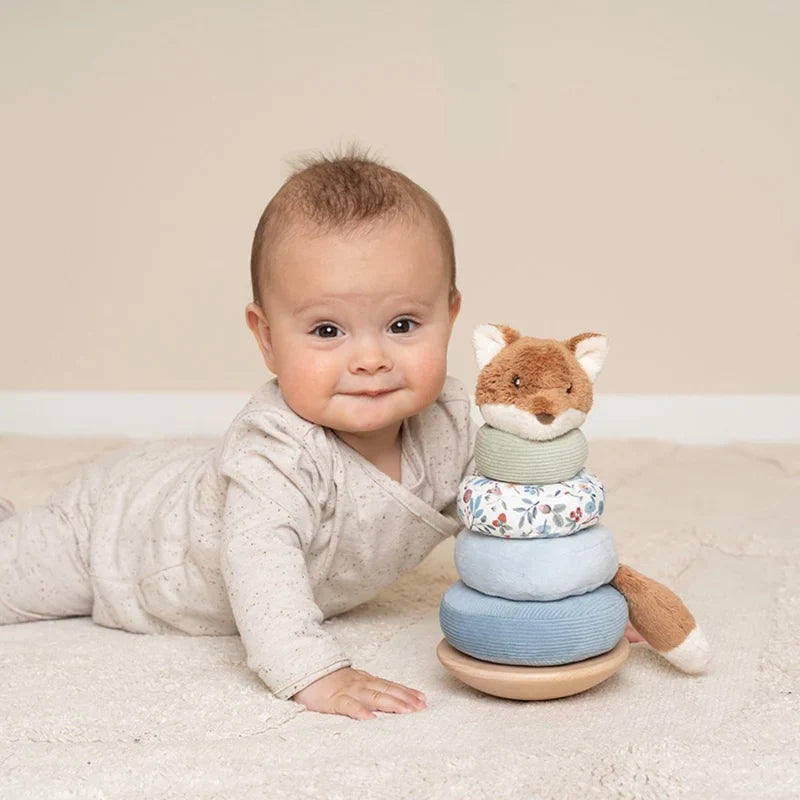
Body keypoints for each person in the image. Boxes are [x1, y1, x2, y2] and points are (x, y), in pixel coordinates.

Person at [0, 149, 475, 721]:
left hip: (188, 474)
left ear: (449, 315)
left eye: (402, 325)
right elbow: (260, 564)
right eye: (327, 330)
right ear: (267, 337)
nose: (370, 358)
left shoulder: (450, 423)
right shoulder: (275, 451)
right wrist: (314, 670)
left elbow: (518, 511)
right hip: (124, 533)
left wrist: (586, 592)